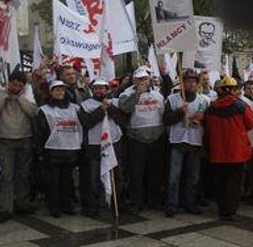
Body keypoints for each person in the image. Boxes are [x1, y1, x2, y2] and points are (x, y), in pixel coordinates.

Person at [35, 80, 96, 217]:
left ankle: (67, 205)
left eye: (62, 90)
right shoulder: (45, 110)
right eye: (56, 90)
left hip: (71, 149)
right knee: (54, 181)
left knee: (67, 181)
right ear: (51, 92)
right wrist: (40, 151)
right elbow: (40, 132)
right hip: (53, 150)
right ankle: (55, 207)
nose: (60, 92)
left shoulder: (75, 108)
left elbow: (84, 124)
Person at [204, 76, 253, 221]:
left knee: (220, 181)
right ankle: (230, 211)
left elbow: (207, 129)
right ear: (234, 90)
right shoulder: (241, 105)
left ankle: (222, 209)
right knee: (234, 182)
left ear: (220, 90)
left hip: (218, 153)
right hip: (236, 152)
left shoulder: (211, 107)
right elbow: (252, 123)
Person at [118, 67, 167, 214]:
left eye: (145, 79)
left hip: (156, 139)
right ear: (134, 80)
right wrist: (137, 94)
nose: (143, 82)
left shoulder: (157, 95)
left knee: (155, 172)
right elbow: (125, 108)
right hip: (137, 140)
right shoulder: (126, 94)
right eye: (139, 79)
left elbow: (162, 114)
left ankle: (154, 200)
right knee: (136, 173)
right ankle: (136, 202)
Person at [0, 70, 36, 223]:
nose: (16, 88)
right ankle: (5, 208)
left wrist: (20, 96)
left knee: (23, 174)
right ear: (9, 82)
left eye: (19, 86)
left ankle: (22, 203)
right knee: (7, 175)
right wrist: (5, 94)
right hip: (6, 139)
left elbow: (32, 111)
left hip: (25, 138)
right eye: (14, 85)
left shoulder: (27, 95)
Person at [163, 69, 210, 216]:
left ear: (197, 84)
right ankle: (172, 204)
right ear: (182, 83)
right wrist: (179, 113)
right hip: (177, 141)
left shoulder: (204, 101)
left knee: (193, 176)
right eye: (187, 81)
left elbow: (209, 122)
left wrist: (203, 119)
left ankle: (190, 202)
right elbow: (165, 120)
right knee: (174, 176)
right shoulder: (173, 99)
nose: (190, 84)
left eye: (193, 81)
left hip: (195, 143)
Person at [79, 79, 124, 217]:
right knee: (93, 178)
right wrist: (101, 109)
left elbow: (121, 119)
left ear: (107, 89)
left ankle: (116, 202)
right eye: (96, 88)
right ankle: (93, 205)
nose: (99, 91)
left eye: (102, 88)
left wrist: (109, 108)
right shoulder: (85, 105)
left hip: (113, 144)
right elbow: (86, 122)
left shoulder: (115, 102)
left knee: (116, 176)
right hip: (94, 145)